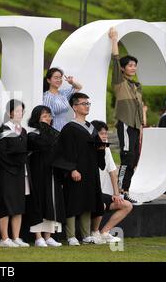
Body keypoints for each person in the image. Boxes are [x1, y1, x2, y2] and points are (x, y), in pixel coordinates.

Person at [54, 92, 106, 246]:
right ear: (74, 107)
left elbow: (96, 151)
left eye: (88, 103)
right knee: (73, 202)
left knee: (88, 201)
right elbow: (65, 152)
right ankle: (71, 236)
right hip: (76, 171)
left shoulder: (91, 128)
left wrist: (101, 148)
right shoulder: (69, 128)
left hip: (91, 171)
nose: (86, 106)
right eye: (83, 103)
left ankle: (85, 235)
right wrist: (71, 169)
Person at [82, 120, 133, 244]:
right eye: (102, 134)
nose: (105, 136)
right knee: (101, 204)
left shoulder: (106, 148)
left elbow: (113, 173)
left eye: (106, 134)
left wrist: (116, 194)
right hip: (89, 193)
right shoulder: (87, 149)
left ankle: (104, 232)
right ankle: (94, 233)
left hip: (102, 194)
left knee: (127, 205)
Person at [109, 27, 144, 204]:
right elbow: (115, 60)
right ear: (122, 69)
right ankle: (120, 192)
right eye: (130, 65)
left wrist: (143, 125)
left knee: (134, 159)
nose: (133, 68)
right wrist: (114, 39)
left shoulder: (137, 86)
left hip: (137, 127)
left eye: (135, 65)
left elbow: (139, 108)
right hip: (125, 123)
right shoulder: (119, 82)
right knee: (126, 157)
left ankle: (126, 190)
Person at [27, 105, 65, 247]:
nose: (47, 119)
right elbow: (43, 145)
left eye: (49, 116)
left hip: (52, 172)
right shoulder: (32, 135)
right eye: (44, 116)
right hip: (37, 173)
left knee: (52, 202)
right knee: (39, 201)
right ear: (37, 118)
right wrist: (44, 129)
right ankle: (38, 237)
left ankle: (49, 236)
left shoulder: (54, 134)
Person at [0, 100, 30, 248]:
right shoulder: (4, 130)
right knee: (5, 203)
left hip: (20, 172)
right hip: (6, 171)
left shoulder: (23, 131)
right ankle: (4, 238)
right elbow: (1, 152)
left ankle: (16, 237)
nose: (19, 113)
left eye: (21, 111)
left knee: (18, 204)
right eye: (16, 111)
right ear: (9, 113)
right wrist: (14, 163)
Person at [42, 67, 82, 132]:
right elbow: (46, 118)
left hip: (66, 129)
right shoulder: (47, 97)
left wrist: (72, 82)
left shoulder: (63, 93)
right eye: (56, 78)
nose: (59, 80)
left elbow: (79, 87)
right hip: (55, 130)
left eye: (60, 77)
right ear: (48, 80)